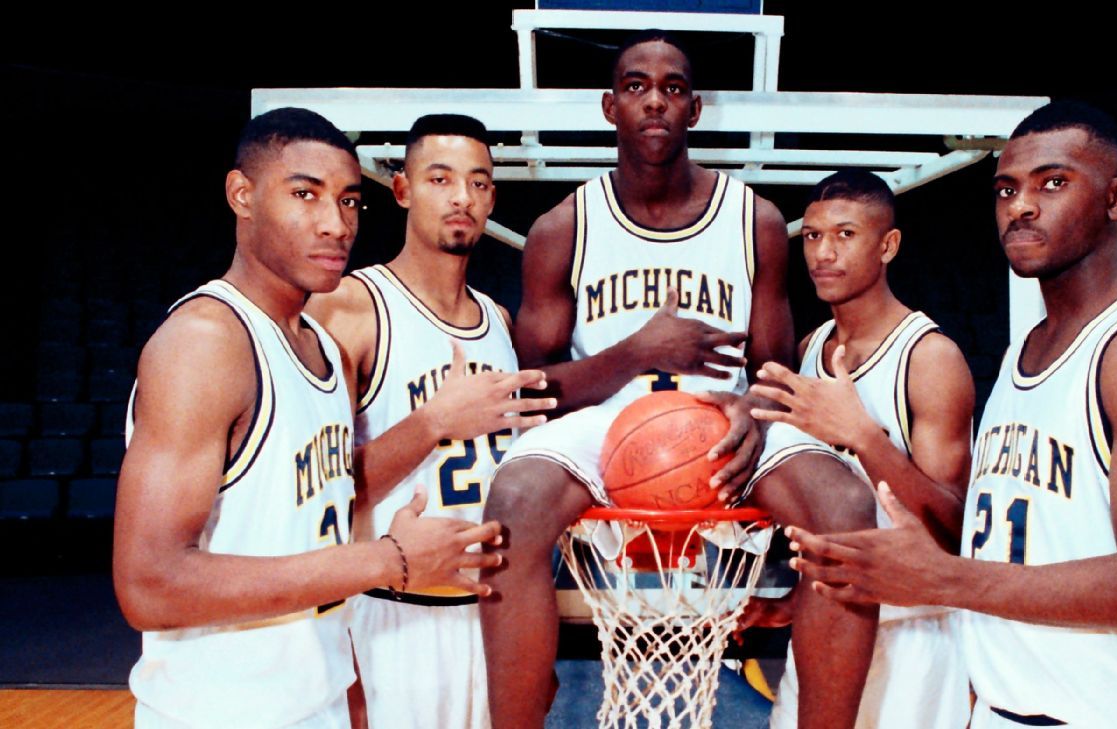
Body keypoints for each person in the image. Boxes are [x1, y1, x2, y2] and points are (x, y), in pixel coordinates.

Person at [478, 31, 878, 729]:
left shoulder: (752, 221)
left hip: (722, 418)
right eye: (636, 86)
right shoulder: (563, 226)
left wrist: (753, 406)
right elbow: (534, 387)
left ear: (694, 109)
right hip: (608, 421)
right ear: (610, 106)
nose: (654, 101)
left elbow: (774, 369)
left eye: (672, 87)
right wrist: (635, 352)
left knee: (845, 507)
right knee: (511, 502)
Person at [786, 101, 1117, 728]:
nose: (1020, 205)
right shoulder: (1025, 351)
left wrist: (944, 580)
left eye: (1053, 183)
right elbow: (1007, 543)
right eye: (1006, 188)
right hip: (1003, 709)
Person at [114, 107, 504, 729]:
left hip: (314, 702)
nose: (335, 223)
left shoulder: (319, 348)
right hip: (220, 713)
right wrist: (389, 561)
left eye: (349, 201)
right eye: (305, 194)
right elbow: (149, 584)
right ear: (242, 195)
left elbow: (310, 537)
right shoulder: (206, 342)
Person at [306, 113, 554, 729]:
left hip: (495, 614)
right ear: (403, 189)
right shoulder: (352, 307)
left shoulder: (498, 320)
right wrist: (433, 423)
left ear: (492, 197)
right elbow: (313, 495)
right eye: (440, 179)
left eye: (478, 182)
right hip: (393, 613)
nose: (461, 198)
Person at [742, 169, 974, 729]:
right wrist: (793, 603)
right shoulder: (810, 349)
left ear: (888, 245)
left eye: (846, 235)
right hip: (826, 627)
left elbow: (954, 528)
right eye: (814, 236)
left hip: (912, 634)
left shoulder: (929, 359)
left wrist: (863, 435)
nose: (824, 252)